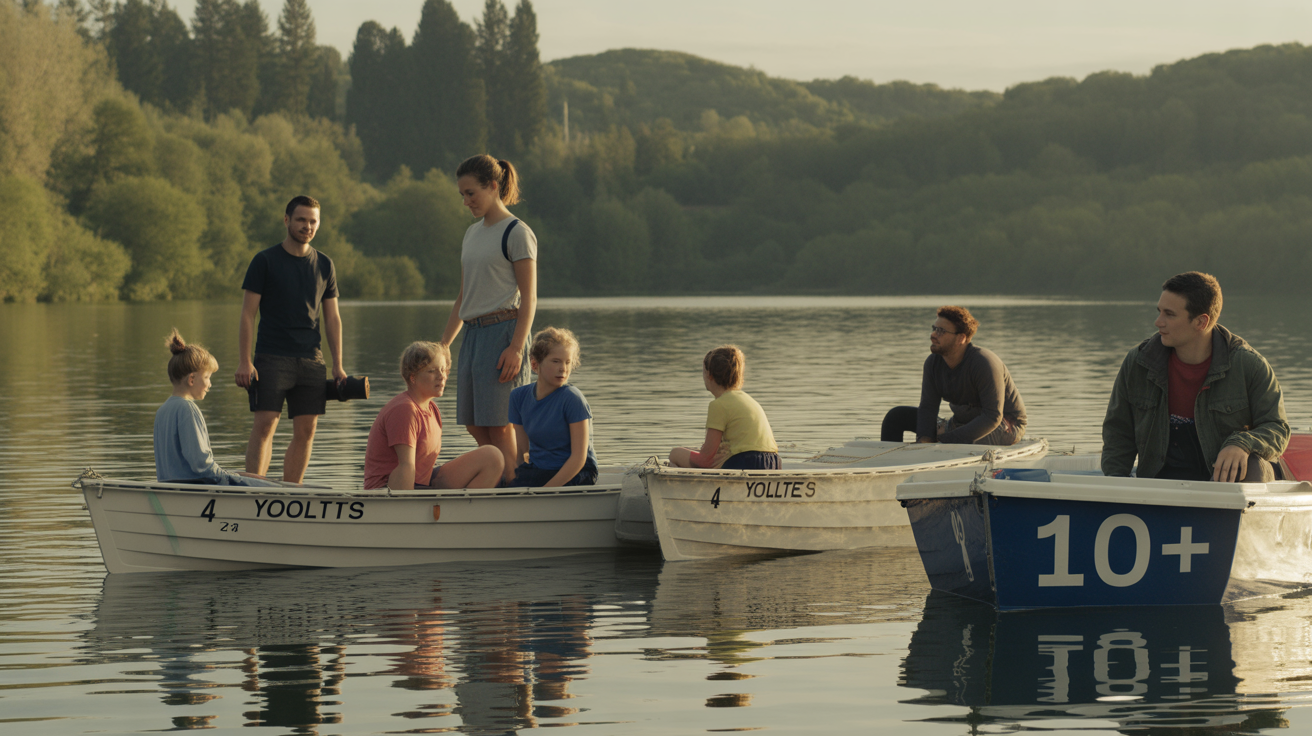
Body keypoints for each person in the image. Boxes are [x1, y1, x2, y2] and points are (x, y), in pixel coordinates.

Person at [1102, 272, 1289, 482]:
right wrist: (1115, 486)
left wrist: (1242, 443)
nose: (1158, 322)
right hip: (1159, 481)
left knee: (1252, 466)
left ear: (1201, 322)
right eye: (1159, 312)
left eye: (1169, 314)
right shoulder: (1138, 362)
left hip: (1225, 484)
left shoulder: (1251, 366)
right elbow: (1118, 433)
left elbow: (1277, 428)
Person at [439, 155, 537, 484]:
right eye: (462, 195)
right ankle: (502, 479)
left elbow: (530, 297)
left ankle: (514, 489)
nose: (466, 201)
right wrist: (443, 345)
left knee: (500, 423)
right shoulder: (471, 234)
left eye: (471, 193)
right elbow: (463, 296)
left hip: (504, 333)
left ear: (493, 186)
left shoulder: (517, 232)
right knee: (473, 422)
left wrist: (517, 347)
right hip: (472, 335)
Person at [235, 195, 346, 483]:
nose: (307, 226)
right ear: (287, 220)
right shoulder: (265, 261)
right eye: (301, 219)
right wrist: (245, 361)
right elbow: (248, 314)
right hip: (271, 357)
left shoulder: (324, 264)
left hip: (312, 360)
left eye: (313, 221)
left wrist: (338, 366)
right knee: (265, 425)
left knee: (307, 430)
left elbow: (332, 318)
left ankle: (290, 492)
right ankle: (253, 490)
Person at [364, 342, 503, 490]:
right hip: (389, 490)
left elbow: (423, 465)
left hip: (421, 482)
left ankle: (464, 510)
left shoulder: (433, 409)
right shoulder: (405, 409)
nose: (441, 376)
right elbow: (406, 466)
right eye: (432, 371)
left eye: (443, 370)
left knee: (492, 457)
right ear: (413, 377)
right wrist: (403, 509)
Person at [880, 306, 1027, 446]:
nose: (933, 335)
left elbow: (992, 417)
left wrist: (943, 442)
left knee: (961, 443)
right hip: (959, 424)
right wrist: (925, 439)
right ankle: (887, 463)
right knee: (896, 417)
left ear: (961, 338)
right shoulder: (933, 363)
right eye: (934, 329)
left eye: (941, 331)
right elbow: (928, 408)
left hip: (1004, 426)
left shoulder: (984, 363)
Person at [155, 330, 274, 486]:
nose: (210, 384)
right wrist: (235, 478)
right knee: (270, 486)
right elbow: (202, 466)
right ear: (192, 379)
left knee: (254, 478)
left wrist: (239, 475)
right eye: (207, 377)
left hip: (171, 489)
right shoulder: (187, 409)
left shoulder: (162, 411)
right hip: (195, 490)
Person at [508, 327, 598, 487]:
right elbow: (522, 453)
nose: (563, 368)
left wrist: (546, 491)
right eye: (556, 361)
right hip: (539, 470)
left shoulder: (573, 398)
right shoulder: (518, 397)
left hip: (577, 472)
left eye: (568, 362)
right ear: (535, 364)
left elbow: (579, 458)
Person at [670, 345, 781, 470]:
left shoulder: (718, 405)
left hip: (745, 462)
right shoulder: (749, 400)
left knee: (675, 454)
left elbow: (705, 459)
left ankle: (677, 485)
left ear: (709, 375)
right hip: (773, 463)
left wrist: (678, 456)